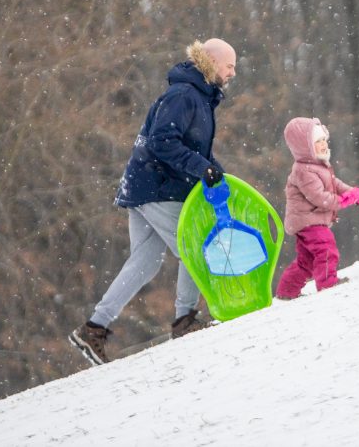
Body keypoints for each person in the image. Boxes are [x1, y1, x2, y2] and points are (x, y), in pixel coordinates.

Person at [69, 38, 236, 366]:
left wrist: (215, 171)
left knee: (144, 262)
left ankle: (93, 329)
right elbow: (162, 141)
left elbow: (193, 149)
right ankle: (185, 320)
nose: (233, 72)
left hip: (144, 185)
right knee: (197, 246)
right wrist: (203, 169)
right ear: (212, 62)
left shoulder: (199, 97)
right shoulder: (185, 95)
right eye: (229, 65)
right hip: (157, 186)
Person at [275, 117, 359, 300]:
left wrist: (353, 194)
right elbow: (319, 197)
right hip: (308, 221)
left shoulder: (318, 166)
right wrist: (343, 201)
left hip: (310, 220)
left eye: (323, 140)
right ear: (305, 147)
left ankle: (286, 292)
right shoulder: (303, 171)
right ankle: (327, 284)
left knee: (307, 261)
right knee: (327, 249)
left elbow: (334, 183)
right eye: (317, 142)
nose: (323, 145)